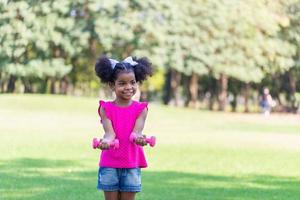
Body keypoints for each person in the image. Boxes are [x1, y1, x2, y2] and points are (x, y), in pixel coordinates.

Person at [94, 55, 153, 200]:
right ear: (111, 85)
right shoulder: (105, 108)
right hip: (110, 163)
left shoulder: (141, 109)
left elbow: (136, 132)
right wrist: (105, 142)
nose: (128, 87)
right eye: (122, 83)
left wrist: (140, 139)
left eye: (132, 82)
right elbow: (110, 134)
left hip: (131, 162)